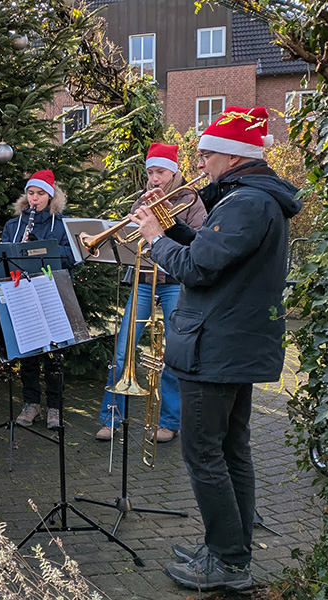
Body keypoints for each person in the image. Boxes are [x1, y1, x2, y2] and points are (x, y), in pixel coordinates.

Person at [129, 107, 300, 591]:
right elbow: (211, 252)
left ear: (233, 155)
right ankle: (230, 545)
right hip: (228, 341)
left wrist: (156, 237)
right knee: (230, 450)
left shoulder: (246, 202)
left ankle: (228, 562)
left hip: (216, 345)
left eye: (205, 154)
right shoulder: (251, 199)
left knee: (205, 453)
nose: (199, 162)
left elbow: (197, 269)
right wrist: (171, 226)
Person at [97, 142, 207, 443]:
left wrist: (168, 216)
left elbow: (197, 243)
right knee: (122, 351)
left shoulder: (192, 200)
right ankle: (111, 417)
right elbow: (133, 239)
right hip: (143, 280)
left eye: (159, 171)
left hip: (174, 282)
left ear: (172, 171)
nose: (153, 178)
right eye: (150, 172)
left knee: (172, 352)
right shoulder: (142, 199)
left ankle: (170, 422)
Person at [1, 170, 76, 430]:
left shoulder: (61, 223)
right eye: (31, 193)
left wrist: (41, 247)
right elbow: (3, 256)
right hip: (22, 293)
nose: (34, 199)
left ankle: (54, 406)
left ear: (50, 196)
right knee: (29, 351)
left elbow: (72, 255)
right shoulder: (14, 224)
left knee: (54, 353)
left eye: (40, 194)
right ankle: (31, 403)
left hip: (51, 291)